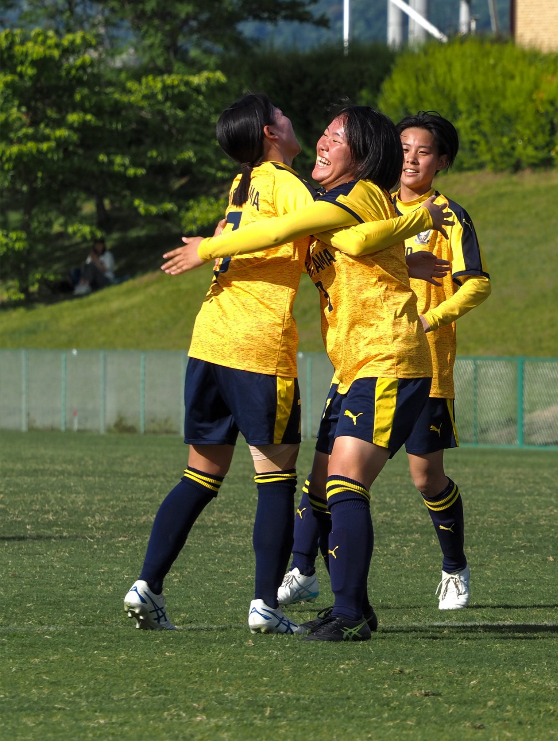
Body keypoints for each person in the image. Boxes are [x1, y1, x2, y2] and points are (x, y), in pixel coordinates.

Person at [161, 105, 449, 642]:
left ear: (360, 156)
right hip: (354, 367)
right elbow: (351, 246)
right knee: (319, 491)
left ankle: (350, 613)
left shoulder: (358, 194)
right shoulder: (337, 201)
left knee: (343, 482)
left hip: (389, 358)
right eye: (322, 133)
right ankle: (349, 603)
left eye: (334, 138)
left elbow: (313, 231)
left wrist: (209, 248)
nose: (321, 141)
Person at [277, 112, 490, 613]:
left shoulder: (448, 216)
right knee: (325, 474)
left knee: (424, 477)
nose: (412, 158)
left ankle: (453, 567)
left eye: (424, 151)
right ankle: (303, 568)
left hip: (418, 361)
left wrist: (432, 318)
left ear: (442, 162)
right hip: (359, 356)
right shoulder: (371, 202)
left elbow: (477, 282)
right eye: (405, 147)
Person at [123, 94, 314, 634]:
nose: (291, 117)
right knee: (275, 478)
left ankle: (147, 585)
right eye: (284, 114)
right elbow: (314, 234)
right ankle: (265, 606)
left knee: (199, 474)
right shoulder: (287, 185)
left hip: (209, 339)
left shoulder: (241, 183)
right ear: (270, 133)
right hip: (258, 345)